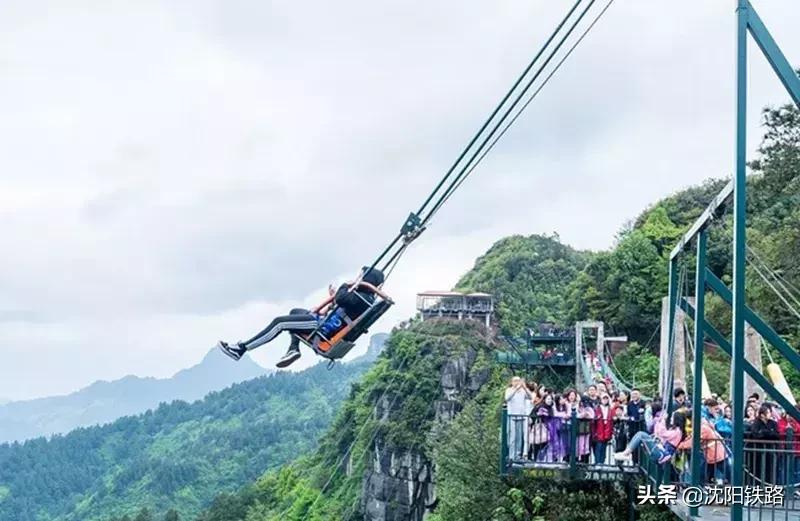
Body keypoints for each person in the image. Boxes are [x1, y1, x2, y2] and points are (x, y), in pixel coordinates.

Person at [218, 267, 389, 367]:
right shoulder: (365, 298)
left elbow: (342, 298)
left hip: (322, 328)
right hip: (328, 324)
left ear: (365, 279)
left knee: (280, 323)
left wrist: (345, 285)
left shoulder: (361, 297)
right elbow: (342, 304)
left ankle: (241, 349)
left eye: (360, 276)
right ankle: (294, 348)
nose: (357, 278)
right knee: (295, 312)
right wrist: (334, 299)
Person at [505, 377, 533, 460]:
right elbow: (507, 398)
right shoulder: (509, 390)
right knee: (512, 437)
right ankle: (511, 456)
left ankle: (518, 455)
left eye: (518, 381)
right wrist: (515, 389)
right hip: (512, 416)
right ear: (512, 382)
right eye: (515, 381)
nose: (517, 382)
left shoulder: (523, 391)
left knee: (519, 438)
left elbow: (530, 397)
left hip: (521, 416)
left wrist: (525, 388)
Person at [592, 393, 616, 464]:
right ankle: (597, 462)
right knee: (598, 447)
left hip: (607, 430)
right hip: (599, 430)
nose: (605, 400)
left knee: (604, 447)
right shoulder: (597, 408)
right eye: (603, 398)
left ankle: (602, 462)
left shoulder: (610, 409)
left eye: (606, 399)